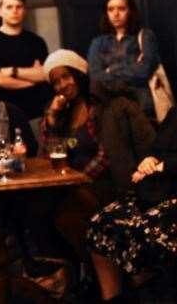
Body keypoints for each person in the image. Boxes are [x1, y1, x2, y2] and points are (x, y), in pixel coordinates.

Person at [39, 49, 155, 264]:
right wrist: (52, 119)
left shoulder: (108, 105)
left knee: (66, 213)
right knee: (44, 208)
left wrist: (78, 179)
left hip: (115, 182)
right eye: (56, 82)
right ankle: (92, 270)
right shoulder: (65, 111)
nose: (62, 85)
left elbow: (106, 155)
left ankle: (96, 270)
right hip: (78, 184)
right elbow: (49, 156)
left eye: (66, 76)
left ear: (79, 73)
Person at [87, 107, 177, 303]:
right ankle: (112, 298)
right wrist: (149, 160)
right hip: (161, 189)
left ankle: (145, 292)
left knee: (139, 230)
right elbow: (158, 147)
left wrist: (163, 167)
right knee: (102, 222)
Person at [0, 0, 52, 126]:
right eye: (9, 7)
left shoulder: (36, 41)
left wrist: (13, 72)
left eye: (18, 7)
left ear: (24, 11)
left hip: (36, 112)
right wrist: (31, 80)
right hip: (3, 114)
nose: (14, 11)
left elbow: (44, 74)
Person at [87, 0, 160, 118]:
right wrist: (130, 69)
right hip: (109, 108)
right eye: (111, 9)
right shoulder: (98, 43)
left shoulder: (144, 36)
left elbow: (144, 70)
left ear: (130, 11)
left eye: (121, 8)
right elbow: (95, 76)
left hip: (142, 107)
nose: (115, 14)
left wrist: (112, 70)